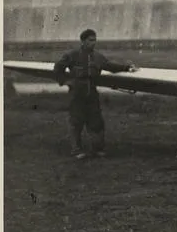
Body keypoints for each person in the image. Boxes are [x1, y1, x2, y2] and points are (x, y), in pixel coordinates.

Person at [54, 29, 138, 159]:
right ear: (83, 41)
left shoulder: (98, 57)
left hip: (92, 92)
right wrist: (65, 81)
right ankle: (76, 150)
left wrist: (127, 68)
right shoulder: (72, 55)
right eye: (90, 40)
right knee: (76, 121)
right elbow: (58, 68)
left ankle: (98, 149)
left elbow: (110, 66)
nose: (93, 43)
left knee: (96, 121)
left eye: (94, 40)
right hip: (77, 93)